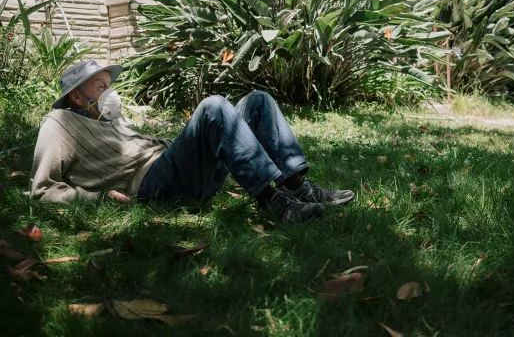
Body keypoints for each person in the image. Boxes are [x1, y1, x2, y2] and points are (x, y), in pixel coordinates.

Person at [30, 60, 354, 223]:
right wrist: (97, 198)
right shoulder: (60, 123)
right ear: (75, 95)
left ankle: (298, 187)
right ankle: (275, 204)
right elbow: (42, 189)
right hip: (154, 184)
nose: (107, 92)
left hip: (177, 168)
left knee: (257, 100)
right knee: (213, 107)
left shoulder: (108, 119)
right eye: (99, 86)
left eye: (105, 85)